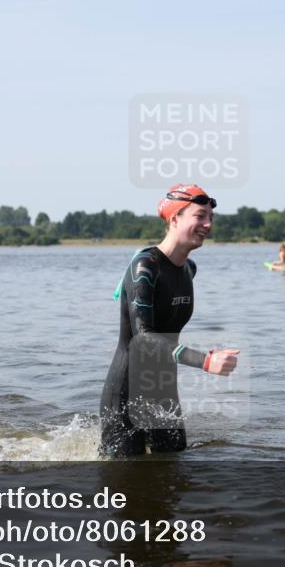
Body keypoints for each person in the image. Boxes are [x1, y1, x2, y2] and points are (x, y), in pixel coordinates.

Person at [100, 184, 240, 457]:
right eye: (200, 216)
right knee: (128, 485)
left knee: (173, 473)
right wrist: (206, 360)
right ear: (174, 219)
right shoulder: (145, 267)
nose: (208, 224)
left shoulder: (189, 268)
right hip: (126, 395)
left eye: (211, 217)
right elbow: (143, 338)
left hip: (163, 391)